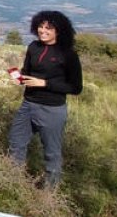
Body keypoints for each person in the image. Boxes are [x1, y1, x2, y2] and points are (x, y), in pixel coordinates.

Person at [7, 10, 83, 188]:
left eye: (48, 28)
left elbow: (75, 88)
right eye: (40, 27)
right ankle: (12, 182)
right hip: (28, 105)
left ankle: (50, 193)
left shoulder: (69, 55)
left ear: (59, 31)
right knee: (15, 142)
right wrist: (18, 76)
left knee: (51, 152)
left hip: (52, 110)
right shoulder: (34, 47)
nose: (43, 31)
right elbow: (27, 72)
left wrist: (44, 83)